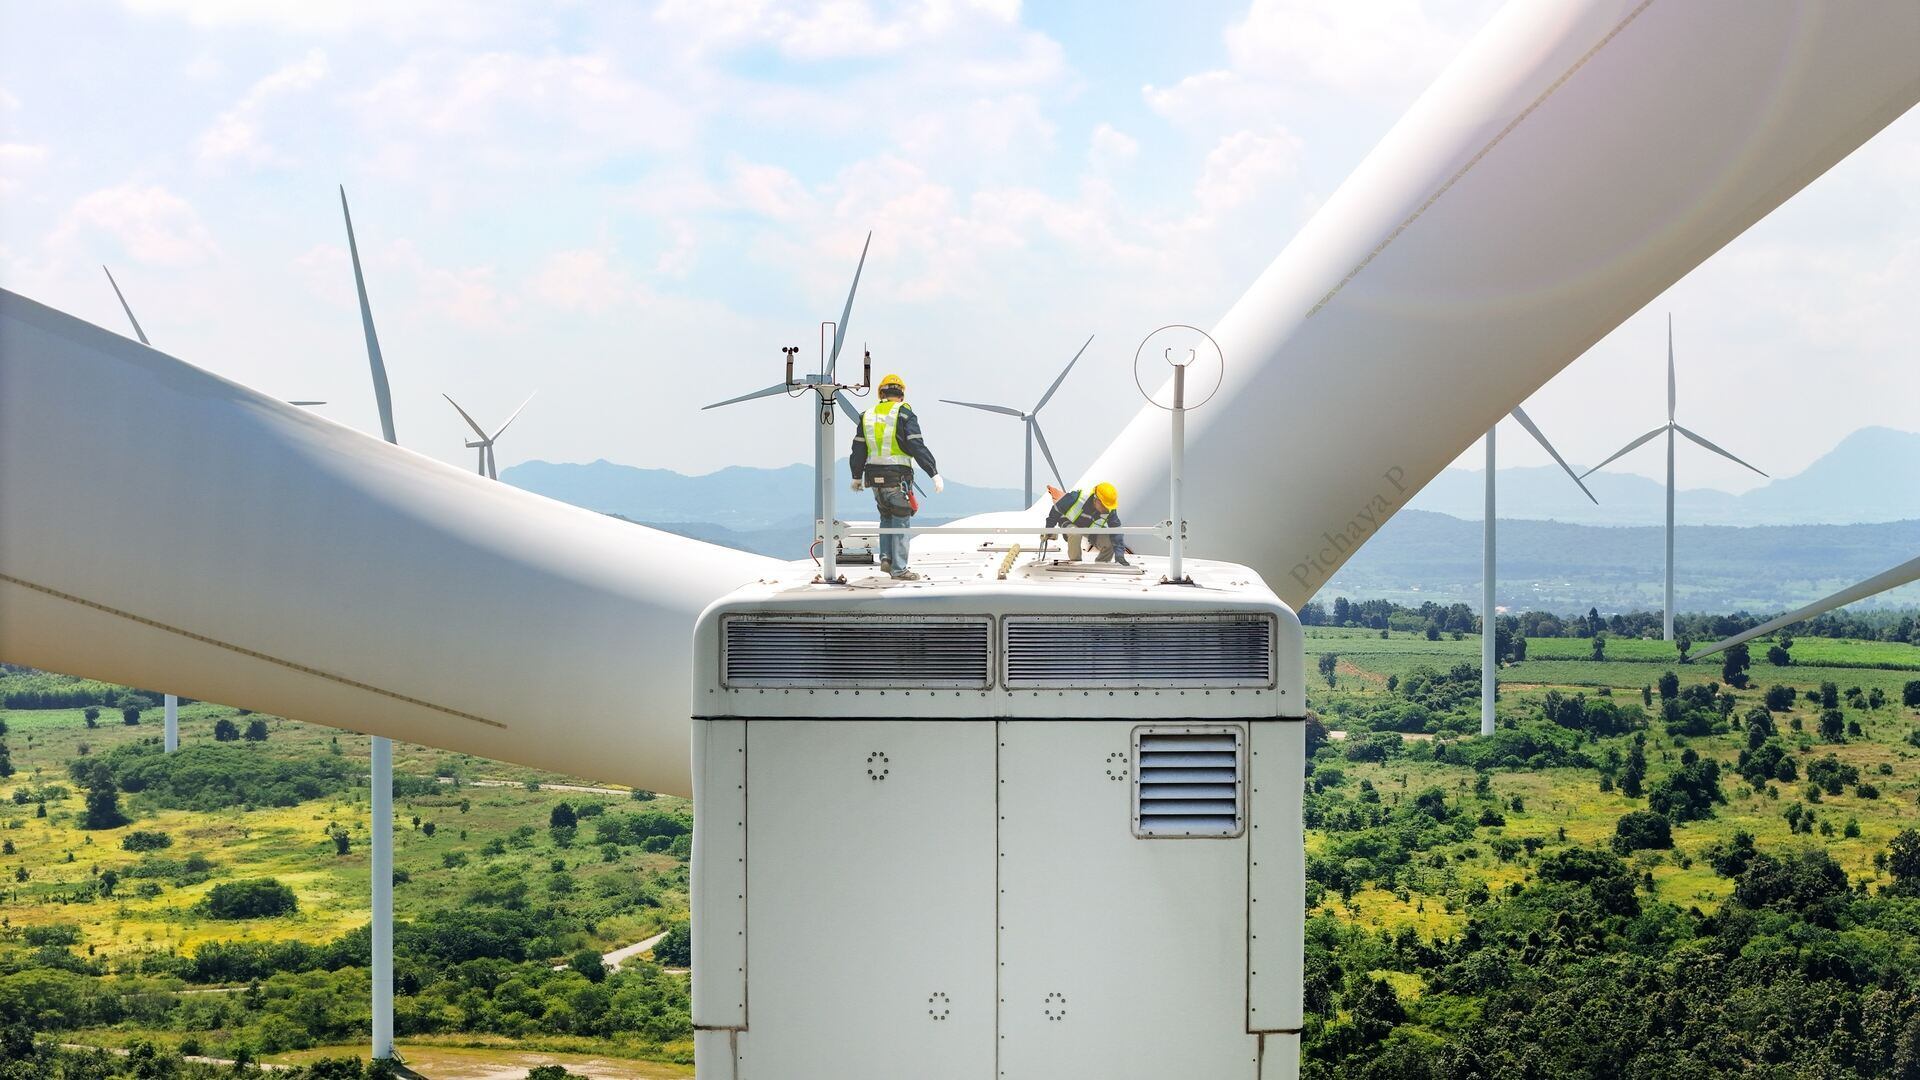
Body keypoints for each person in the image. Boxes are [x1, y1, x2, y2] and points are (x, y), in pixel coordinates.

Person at [851, 373, 943, 580]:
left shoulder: (868, 415)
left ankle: (886, 559)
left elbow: (858, 448)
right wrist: (933, 472)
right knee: (901, 518)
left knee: (885, 516)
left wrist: (856, 476)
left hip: (873, 477)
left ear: (880, 393)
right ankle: (900, 569)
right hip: (897, 476)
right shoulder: (904, 414)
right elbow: (916, 445)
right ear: (901, 395)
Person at [1046, 482, 1128, 565]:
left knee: (1109, 542)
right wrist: (1049, 529)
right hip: (1069, 522)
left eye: (1108, 506)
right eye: (1104, 505)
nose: (1106, 509)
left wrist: (1119, 556)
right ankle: (1075, 562)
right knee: (1075, 533)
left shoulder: (1110, 510)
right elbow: (1055, 509)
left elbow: (1116, 532)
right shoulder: (1075, 498)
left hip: (1089, 528)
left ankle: (1101, 565)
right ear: (1096, 499)